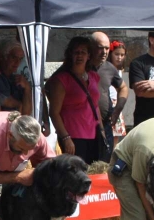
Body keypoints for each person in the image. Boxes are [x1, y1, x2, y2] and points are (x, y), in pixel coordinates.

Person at [46, 36, 102, 165]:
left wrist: (102, 130)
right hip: (73, 135)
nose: (80, 55)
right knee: (75, 174)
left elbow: (95, 105)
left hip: (94, 134)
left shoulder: (94, 77)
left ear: (89, 55)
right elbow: (54, 112)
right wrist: (65, 138)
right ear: (70, 54)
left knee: (94, 173)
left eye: (83, 52)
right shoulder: (62, 79)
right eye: (76, 52)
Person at [90, 32, 128, 161]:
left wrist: (118, 109)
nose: (105, 52)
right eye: (101, 48)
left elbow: (123, 88)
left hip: (106, 124)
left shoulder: (109, 68)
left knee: (105, 161)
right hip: (84, 125)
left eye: (107, 48)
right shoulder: (81, 66)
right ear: (92, 47)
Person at [0, 40, 32, 115]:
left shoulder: (17, 79)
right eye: (14, 57)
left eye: (20, 59)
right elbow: (6, 101)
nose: (17, 62)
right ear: (3, 57)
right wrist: (19, 104)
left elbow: (26, 112)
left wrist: (27, 88)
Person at [107, 40, 128, 145]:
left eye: (122, 55)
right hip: (108, 100)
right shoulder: (106, 68)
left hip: (117, 102)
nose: (119, 57)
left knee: (116, 135)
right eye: (116, 54)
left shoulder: (120, 70)